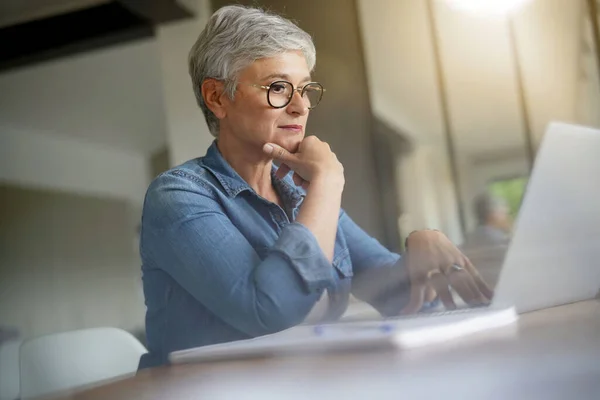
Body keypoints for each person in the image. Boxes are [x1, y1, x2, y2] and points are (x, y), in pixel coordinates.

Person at [137, 5, 493, 369]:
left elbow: (405, 300)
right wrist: (328, 182)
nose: (301, 106)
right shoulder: (178, 197)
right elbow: (272, 312)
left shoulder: (301, 194)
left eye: (305, 89)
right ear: (217, 97)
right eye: (278, 88)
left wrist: (423, 248)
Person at [460, 193, 513, 288]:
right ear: (493, 215)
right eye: (503, 213)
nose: (507, 217)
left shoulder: (470, 239)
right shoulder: (499, 242)